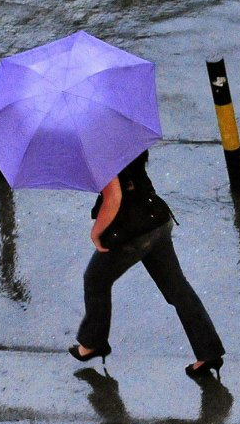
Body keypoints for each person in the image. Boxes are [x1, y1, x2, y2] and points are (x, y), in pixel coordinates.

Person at [68, 150, 225, 377]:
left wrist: (96, 231)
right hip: (156, 220)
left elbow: (114, 197)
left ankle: (93, 342)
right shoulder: (127, 138)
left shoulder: (101, 151)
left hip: (133, 231)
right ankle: (208, 352)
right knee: (178, 289)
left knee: (95, 278)